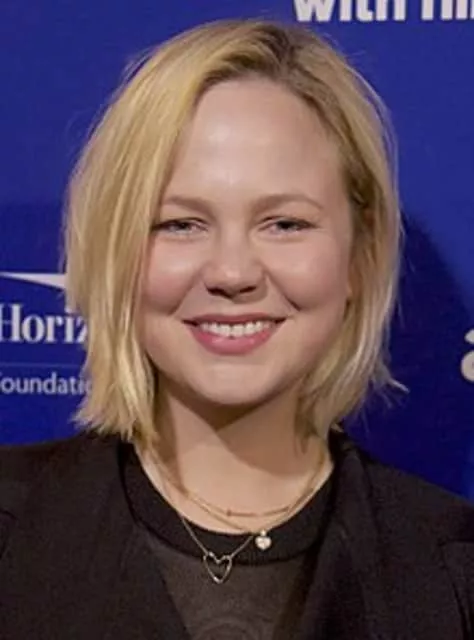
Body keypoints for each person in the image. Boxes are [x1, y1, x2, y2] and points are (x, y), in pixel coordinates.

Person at [0, 19, 473, 640]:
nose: (232, 273)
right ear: (116, 251)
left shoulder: (455, 574)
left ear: (359, 256)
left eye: (285, 224)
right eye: (180, 224)